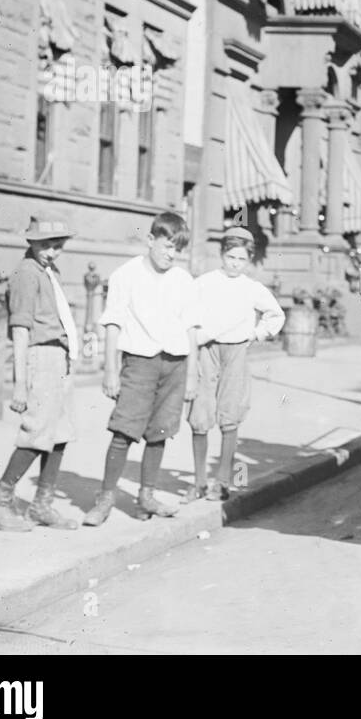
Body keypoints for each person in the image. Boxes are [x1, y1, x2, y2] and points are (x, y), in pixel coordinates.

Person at [83, 211, 200, 526]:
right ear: (151, 240)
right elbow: (112, 324)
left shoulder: (183, 280)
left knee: (160, 432)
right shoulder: (126, 275)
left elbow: (191, 329)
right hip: (139, 363)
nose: (170, 254)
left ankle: (146, 496)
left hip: (175, 364)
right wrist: (110, 370)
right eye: (166, 246)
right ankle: (105, 498)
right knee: (124, 431)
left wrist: (191, 375)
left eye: (177, 249)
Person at [0, 217, 82, 533]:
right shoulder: (25, 274)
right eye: (46, 245)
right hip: (40, 356)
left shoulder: (47, 271)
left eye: (58, 246)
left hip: (58, 356)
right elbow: (20, 330)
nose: (52, 252)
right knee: (37, 432)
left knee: (60, 434)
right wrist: (20, 384)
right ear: (31, 242)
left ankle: (42, 504)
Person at [185, 227, 285, 503]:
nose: (235, 264)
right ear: (222, 255)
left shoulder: (252, 288)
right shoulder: (204, 283)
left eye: (241, 259)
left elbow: (275, 315)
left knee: (230, 414)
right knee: (200, 414)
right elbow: (188, 314)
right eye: (230, 257)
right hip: (206, 350)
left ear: (249, 260)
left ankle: (222, 481)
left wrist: (256, 333)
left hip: (236, 352)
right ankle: (198, 483)